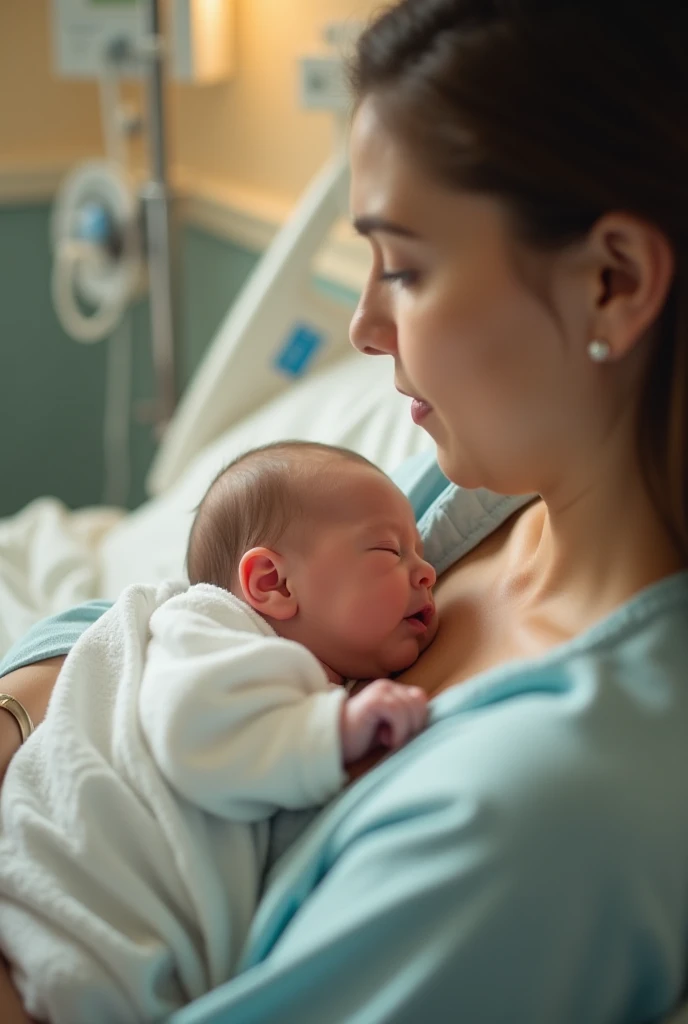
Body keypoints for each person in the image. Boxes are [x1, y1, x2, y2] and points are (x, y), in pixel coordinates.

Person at [2, 0, 688, 1020]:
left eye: (403, 267)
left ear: (612, 280)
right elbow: (185, 617)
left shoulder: (539, 815)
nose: (364, 327)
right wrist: (24, 706)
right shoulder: (482, 496)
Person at [0, 441, 433, 1023]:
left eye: (422, 552)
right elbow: (191, 725)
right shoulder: (209, 624)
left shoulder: (305, 673)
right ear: (272, 582)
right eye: (389, 549)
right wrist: (332, 729)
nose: (426, 571)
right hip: (65, 898)